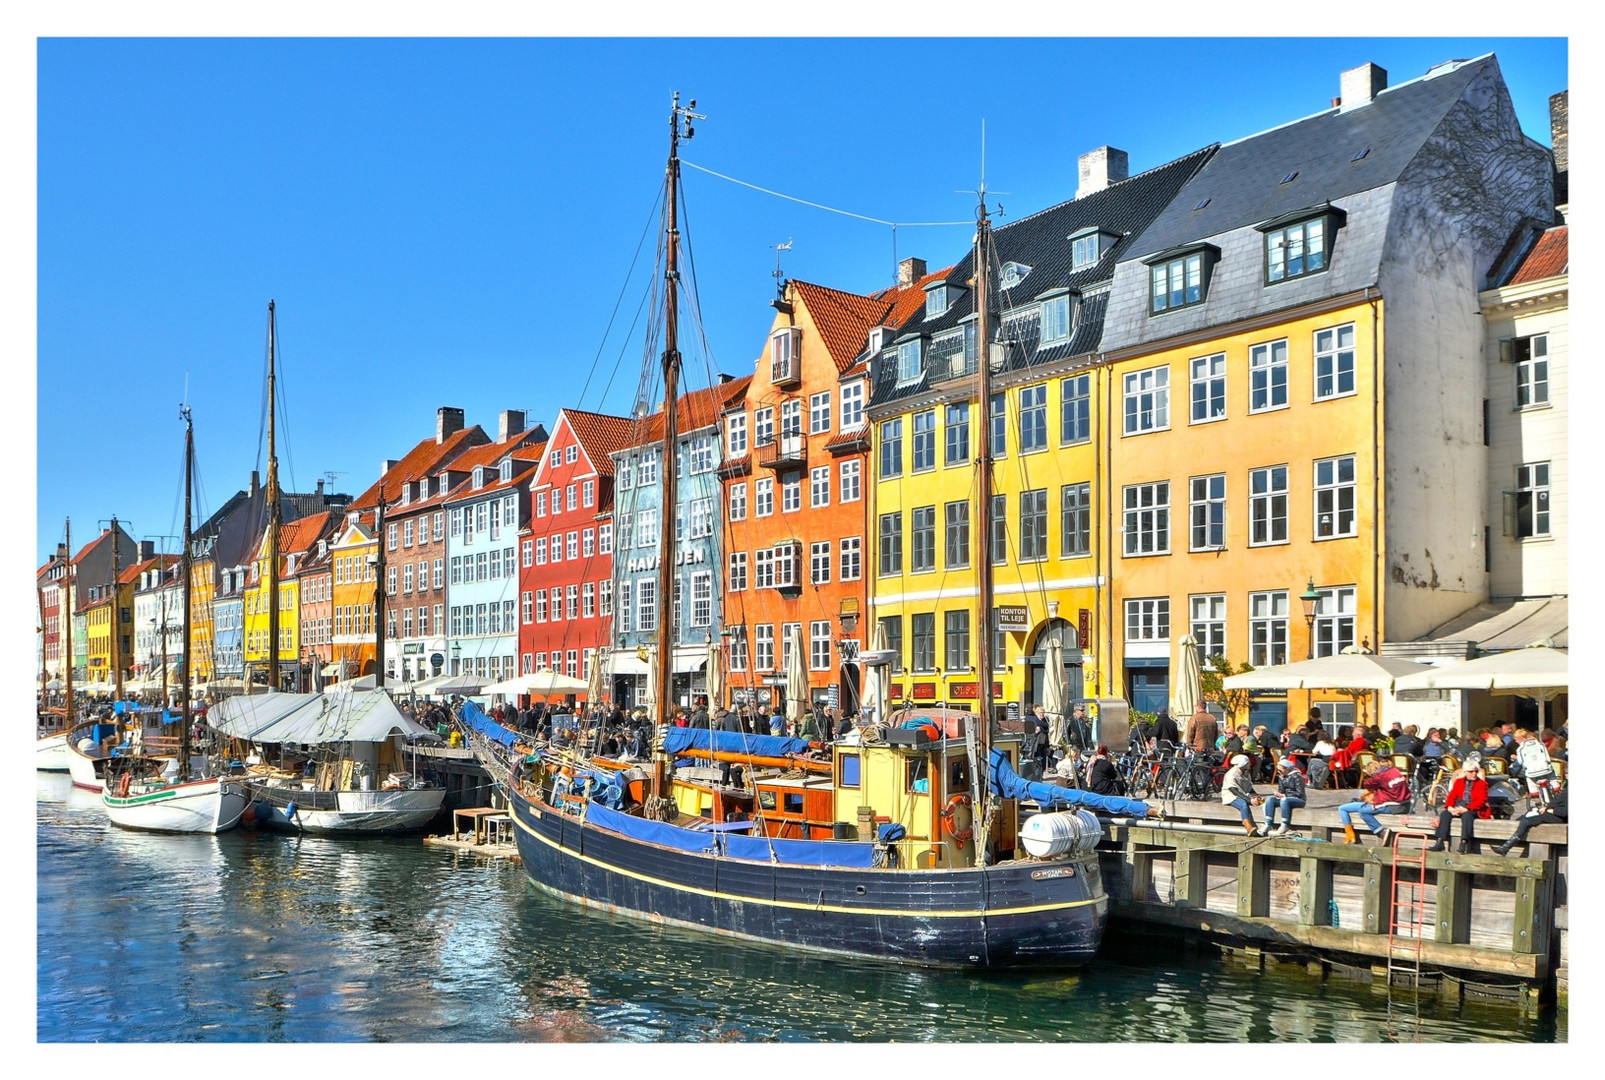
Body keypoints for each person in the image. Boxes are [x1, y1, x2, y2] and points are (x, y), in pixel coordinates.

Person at [1336, 758, 1412, 844]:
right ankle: (1362, 803)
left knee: (1363, 811)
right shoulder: (1394, 771)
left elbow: (1367, 784)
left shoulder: (1379, 777)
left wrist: (1364, 795)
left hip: (1393, 806)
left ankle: (1381, 831)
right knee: (1359, 793)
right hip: (1406, 804)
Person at [1427, 759, 1489, 853]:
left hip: (1474, 807)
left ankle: (1464, 842)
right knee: (1445, 814)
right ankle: (1440, 841)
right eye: (1471, 771)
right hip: (1459, 805)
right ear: (1465, 772)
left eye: (1476, 771)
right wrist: (1450, 807)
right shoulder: (1459, 782)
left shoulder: (1482, 784)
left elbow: (1481, 801)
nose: (1474, 774)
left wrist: (1466, 809)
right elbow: (1452, 796)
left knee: (1467, 816)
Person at [1493, 782, 1568, 855]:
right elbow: (1557, 802)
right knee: (1525, 818)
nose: (1567, 775)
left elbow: (1566, 812)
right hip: (1551, 813)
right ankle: (1506, 847)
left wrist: (1553, 810)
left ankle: (1506, 848)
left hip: (1558, 817)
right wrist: (1547, 807)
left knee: (1526, 820)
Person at [1261, 756, 1306, 835]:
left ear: (1287, 769)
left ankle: (1285, 824)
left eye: (1280, 770)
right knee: (1270, 799)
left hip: (1298, 799)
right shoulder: (1281, 777)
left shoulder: (1297, 777)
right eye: (1277, 770)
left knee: (1284, 800)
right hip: (1285, 798)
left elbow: (1300, 793)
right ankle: (1268, 823)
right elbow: (1281, 790)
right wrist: (1278, 794)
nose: (1278, 772)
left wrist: (1284, 795)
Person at [1220, 753, 1261, 835]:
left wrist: (1256, 796)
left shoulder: (1246, 773)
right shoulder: (1231, 774)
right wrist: (1249, 800)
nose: (1250, 764)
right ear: (1242, 764)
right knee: (1243, 804)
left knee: (1260, 802)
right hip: (1230, 796)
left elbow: (1249, 787)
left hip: (1242, 794)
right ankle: (1248, 827)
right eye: (1247, 763)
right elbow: (1233, 790)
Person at [1511, 727, 1556, 795]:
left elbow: (1521, 762)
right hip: (1545, 769)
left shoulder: (1521, 749)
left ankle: (1532, 791)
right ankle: (1555, 786)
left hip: (1532, 772)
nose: (1516, 741)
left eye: (1516, 739)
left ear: (1522, 738)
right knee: (1551, 774)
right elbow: (1547, 758)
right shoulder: (1540, 744)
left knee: (1523, 774)